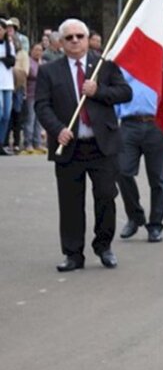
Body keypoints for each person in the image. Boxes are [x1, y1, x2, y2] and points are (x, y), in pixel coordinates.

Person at [35, 18, 132, 271]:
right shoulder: (49, 71)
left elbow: (125, 93)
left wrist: (98, 91)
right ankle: (73, 254)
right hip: (69, 146)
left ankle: (104, 246)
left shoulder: (104, 65)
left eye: (80, 36)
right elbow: (41, 106)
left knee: (105, 197)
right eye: (69, 37)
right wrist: (57, 130)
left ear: (88, 39)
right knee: (70, 203)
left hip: (102, 145)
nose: (75, 41)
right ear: (60, 42)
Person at [116, 70, 163, 243]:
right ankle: (135, 216)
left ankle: (155, 225)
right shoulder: (122, 65)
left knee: (158, 179)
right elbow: (115, 91)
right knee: (122, 171)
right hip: (129, 124)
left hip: (157, 123)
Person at [22, 43, 44, 153]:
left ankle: (38, 142)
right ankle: (28, 143)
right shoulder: (28, 62)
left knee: (38, 121)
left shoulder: (43, 63)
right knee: (30, 119)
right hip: (30, 94)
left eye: (40, 50)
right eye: (36, 50)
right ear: (31, 50)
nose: (38, 52)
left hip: (41, 95)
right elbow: (26, 77)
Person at [0, 19, 15, 155]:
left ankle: (2, 142)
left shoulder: (9, 44)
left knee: (6, 115)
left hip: (7, 83)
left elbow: (12, 61)